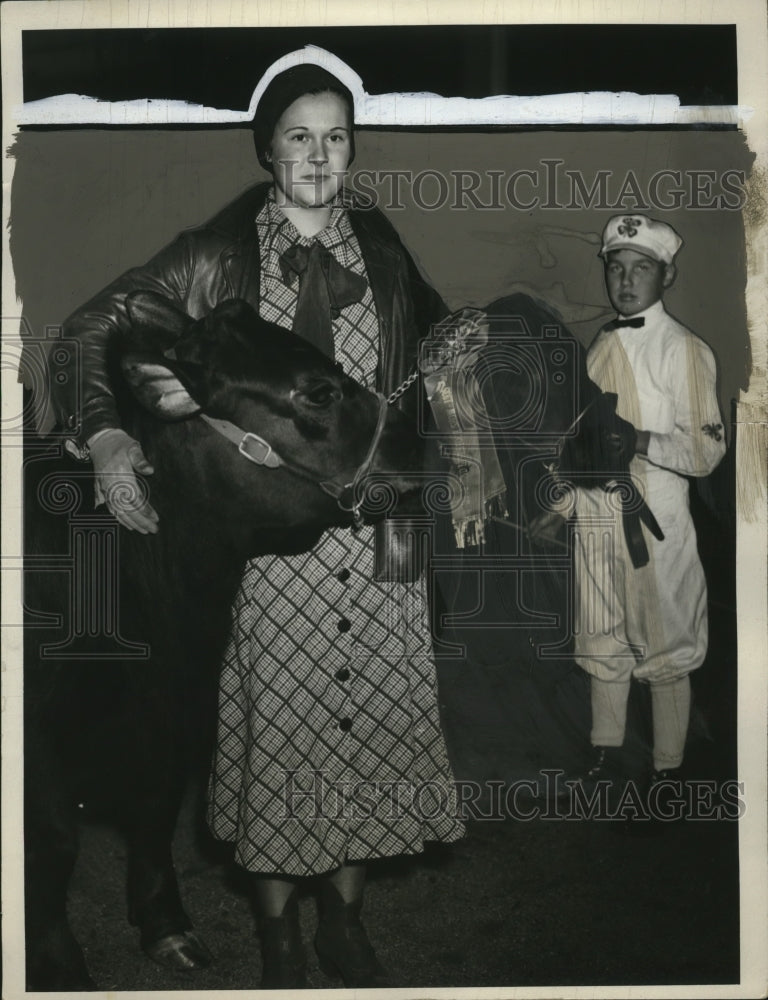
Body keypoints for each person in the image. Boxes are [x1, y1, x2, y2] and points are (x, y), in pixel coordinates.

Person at [51, 63, 464, 988]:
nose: (320, 156)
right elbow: (88, 331)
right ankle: (279, 934)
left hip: (378, 540)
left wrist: (457, 355)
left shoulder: (384, 248)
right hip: (275, 554)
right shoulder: (213, 254)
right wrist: (110, 435)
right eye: (299, 136)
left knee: (370, 734)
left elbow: (427, 352)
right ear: (267, 147)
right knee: (285, 739)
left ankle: (345, 924)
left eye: (337, 137)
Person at [532, 214, 726, 794]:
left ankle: (668, 766)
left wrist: (638, 439)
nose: (625, 281)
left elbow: (706, 451)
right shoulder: (602, 346)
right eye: (616, 268)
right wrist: (559, 505)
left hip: (655, 523)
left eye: (641, 268)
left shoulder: (684, 350)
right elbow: (581, 449)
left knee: (665, 646)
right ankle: (606, 756)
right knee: (602, 641)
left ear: (666, 276)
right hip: (595, 521)